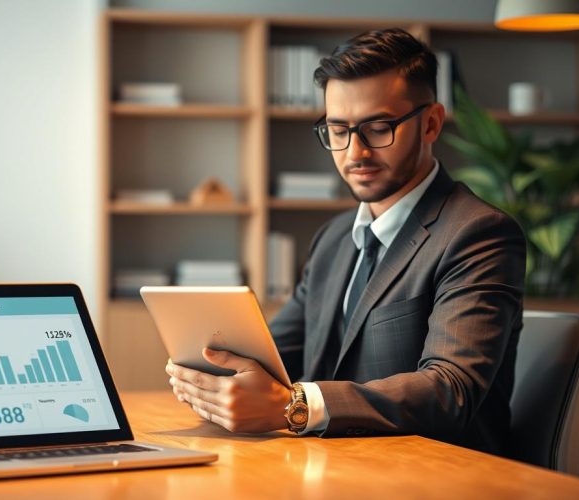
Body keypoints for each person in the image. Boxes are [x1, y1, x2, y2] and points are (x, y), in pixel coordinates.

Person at [165, 28, 526, 456]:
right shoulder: (334, 238)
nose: (355, 152)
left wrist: (292, 406)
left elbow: (450, 389)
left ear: (430, 123)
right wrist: (212, 368)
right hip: (337, 465)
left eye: (377, 128)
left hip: (439, 475)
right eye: (338, 130)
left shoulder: (477, 233)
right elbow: (276, 354)